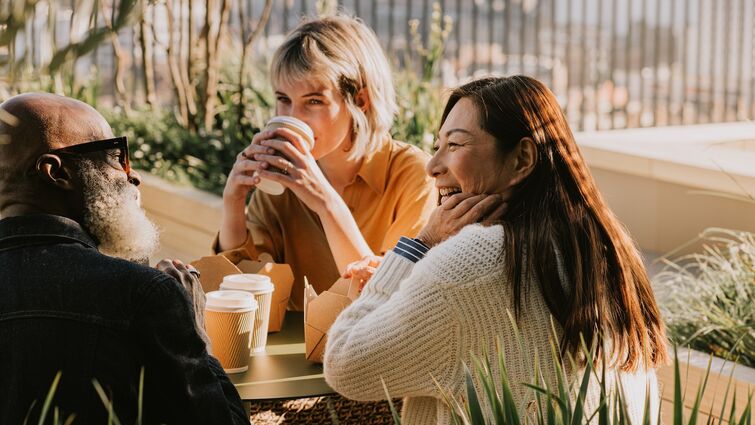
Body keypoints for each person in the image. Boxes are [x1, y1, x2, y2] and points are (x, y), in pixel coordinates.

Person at [324, 76, 669, 425]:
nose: (432, 166)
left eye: (455, 145)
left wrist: (420, 245)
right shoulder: (603, 246)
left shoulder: (472, 263)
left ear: (521, 159)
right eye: (436, 145)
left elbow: (345, 366)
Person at [0, 93, 249, 424]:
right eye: (116, 156)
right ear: (56, 173)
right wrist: (197, 337)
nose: (133, 176)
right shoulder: (145, 295)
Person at [215, 15, 436, 310]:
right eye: (283, 99)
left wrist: (325, 202)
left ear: (360, 101)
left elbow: (388, 302)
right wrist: (233, 202)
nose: (293, 116)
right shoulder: (280, 183)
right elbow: (241, 293)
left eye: (314, 101)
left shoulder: (415, 176)